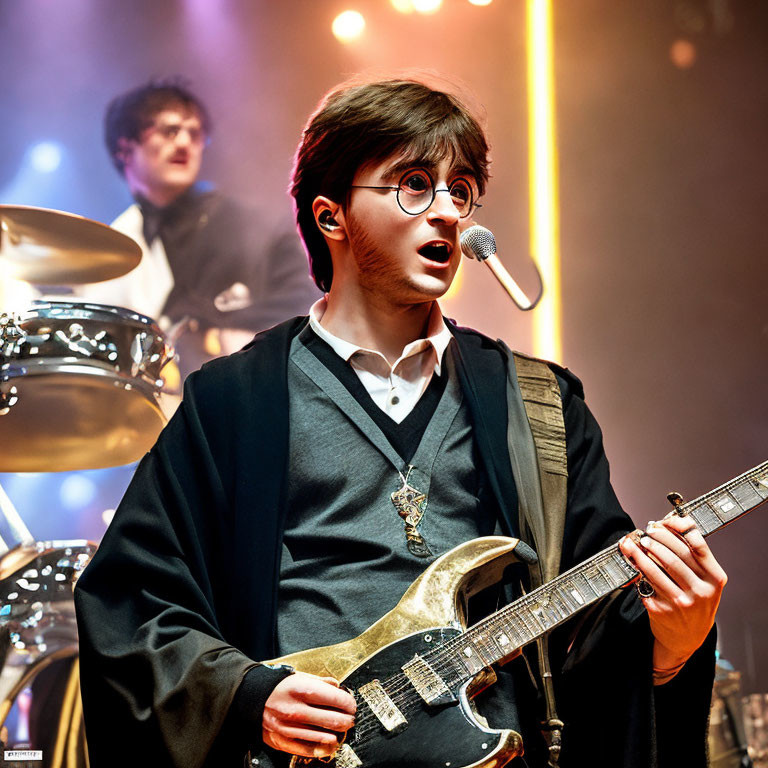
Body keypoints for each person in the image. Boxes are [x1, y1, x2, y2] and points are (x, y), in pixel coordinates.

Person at [74, 77, 726, 768]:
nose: (450, 214)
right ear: (331, 217)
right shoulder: (232, 400)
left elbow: (598, 630)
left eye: (463, 189)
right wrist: (247, 694)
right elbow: (131, 608)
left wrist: (674, 639)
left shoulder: (539, 403)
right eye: (414, 184)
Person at [76, 79, 319, 381]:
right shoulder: (117, 239)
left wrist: (216, 328)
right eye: (169, 131)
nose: (184, 143)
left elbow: (306, 299)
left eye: (194, 133)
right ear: (125, 149)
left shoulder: (252, 224)